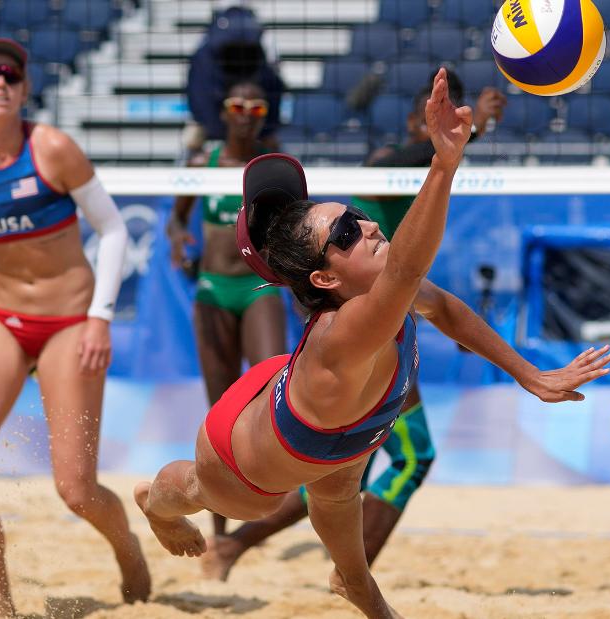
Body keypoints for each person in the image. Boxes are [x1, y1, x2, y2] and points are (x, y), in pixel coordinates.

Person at [135, 69, 610, 618]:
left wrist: (528, 374)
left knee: (342, 506)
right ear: (325, 279)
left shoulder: (387, 302)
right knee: (199, 489)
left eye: (356, 218)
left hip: (334, 437)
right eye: (344, 235)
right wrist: (442, 164)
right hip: (245, 455)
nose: (364, 227)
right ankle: (151, 503)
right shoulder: (349, 326)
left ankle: (361, 590)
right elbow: (408, 268)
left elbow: (449, 309)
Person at [200, 70, 509, 581]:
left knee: (339, 469)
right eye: (428, 119)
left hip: (383, 330)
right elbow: (406, 251)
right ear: (415, 121)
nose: (363, 224)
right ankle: (336, 570)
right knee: (394, 460)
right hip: (365, 338)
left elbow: (423, 287)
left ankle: (246, 547)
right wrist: (455, 142)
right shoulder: (384, 164)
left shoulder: (398, 200)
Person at [0, 38, 150, 616]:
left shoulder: (52, 149)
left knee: (77, 491)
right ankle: (2, 605)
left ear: (23, 87)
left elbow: (113, 231)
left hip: (71, 322)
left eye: (10, 74)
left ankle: (128, 548)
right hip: (5, 320)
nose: (0, 84)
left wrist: (100, 319)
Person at [168, 80, 287, 538]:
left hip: (258, 287)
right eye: (236, 104)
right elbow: (176, 218)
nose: (245, 112)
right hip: (214, 288)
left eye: (255, 106)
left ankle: (266, 501)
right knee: (219, 406)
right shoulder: (204, 163)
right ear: (224, 111)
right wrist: (179, 239)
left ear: (262, 114)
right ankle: (219, 526)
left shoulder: (269, 167)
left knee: (272, 390)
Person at [184, 5, 284, 153]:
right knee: (192, 142)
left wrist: (266, 130)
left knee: (274, 151)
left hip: (254, 120)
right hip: (211, 119)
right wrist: (213, 125)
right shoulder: (205, 57)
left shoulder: (264, 54)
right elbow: (198, 96)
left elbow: (273, 92)